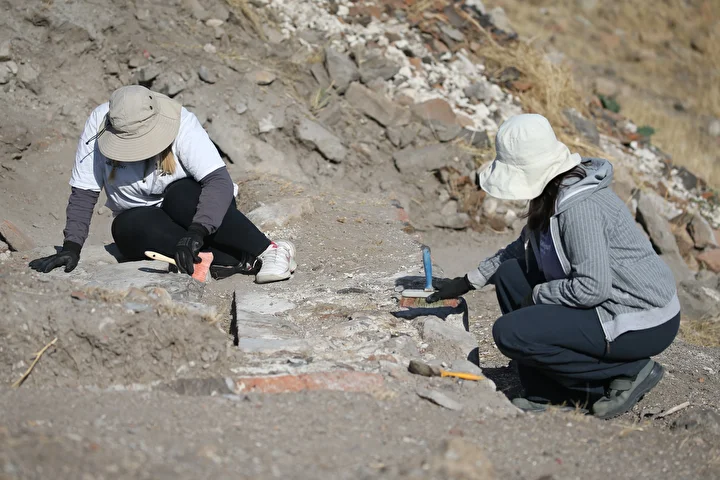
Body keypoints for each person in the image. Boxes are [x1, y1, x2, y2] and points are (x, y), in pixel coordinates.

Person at [427, 114, 680, 419]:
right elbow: (518, 250)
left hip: (639, 318)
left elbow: (592, 288)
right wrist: (468, 281)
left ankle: (628, 371)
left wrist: (538, 295)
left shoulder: (580, 209)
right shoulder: (553, 194)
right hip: (607, 305)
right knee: (509, 275)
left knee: (509, 333)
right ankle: (547, 390)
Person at [29, 85, 296, 284]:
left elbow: (218, 182)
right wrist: (72, 246)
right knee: (125, 226)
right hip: (151, 223)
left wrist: (196, 232)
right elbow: (84, 192)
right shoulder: (98, 126)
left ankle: (268, 249)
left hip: (196, 212)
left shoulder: (182, 122)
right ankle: (231, 260)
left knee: (180, 195)